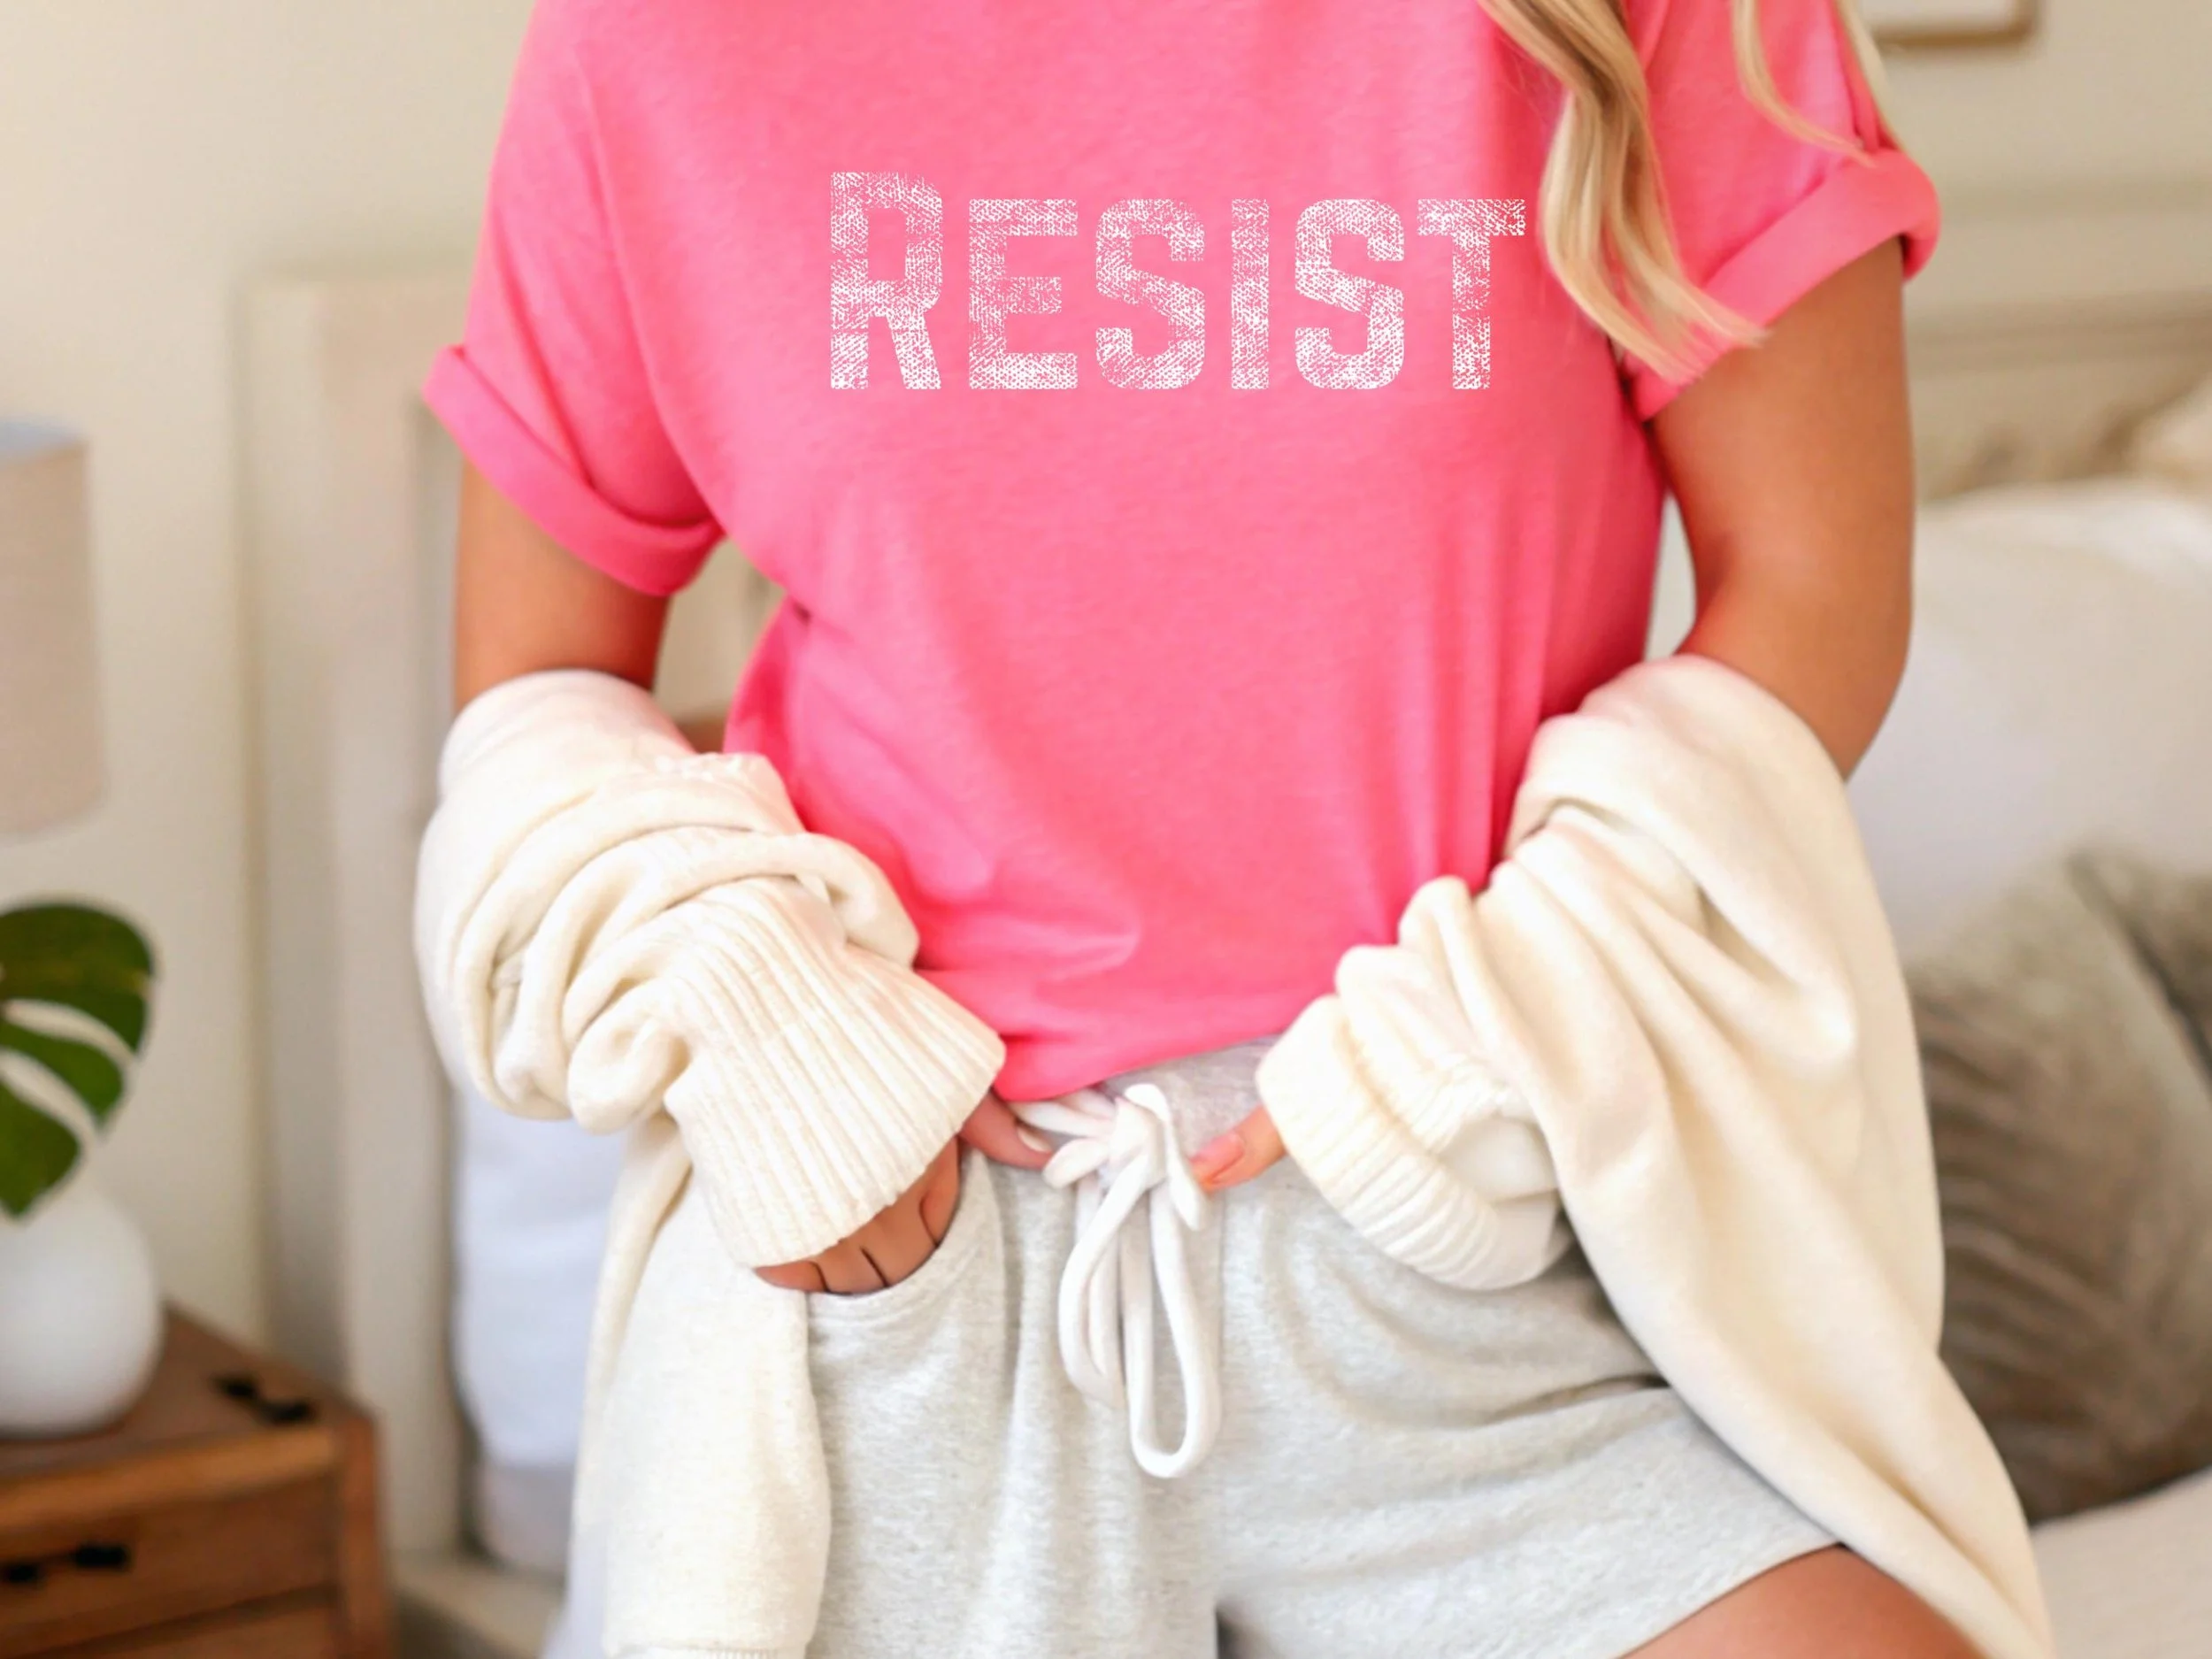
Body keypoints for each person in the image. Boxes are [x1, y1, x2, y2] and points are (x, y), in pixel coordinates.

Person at [426, 0, 1985, 1652]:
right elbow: (537, 688)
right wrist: (772, 1032)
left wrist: (1479, 1036)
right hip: (909, 1259)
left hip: (1469, 1229)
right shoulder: (654, 41)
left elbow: (1809, 588)